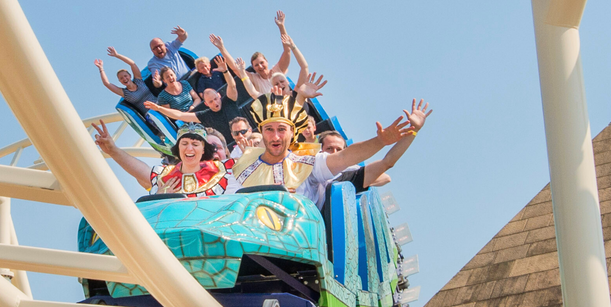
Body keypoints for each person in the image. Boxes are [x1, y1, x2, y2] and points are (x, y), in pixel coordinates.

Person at [231, 93, 414, 208]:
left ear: (292, 132)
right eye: (269, 130)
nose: (275, 137)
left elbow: (344, 158)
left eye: (281, 129)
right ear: (261, 132)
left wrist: (380, 141)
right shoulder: (243, 166)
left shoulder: (307, 161)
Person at [94, 122, 233, 197]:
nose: (189, 149)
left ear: (203, 150)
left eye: (195, 144)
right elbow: (140, 170)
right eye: (184, 144)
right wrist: (113, 150)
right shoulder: (165, 175)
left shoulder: (227, 169)